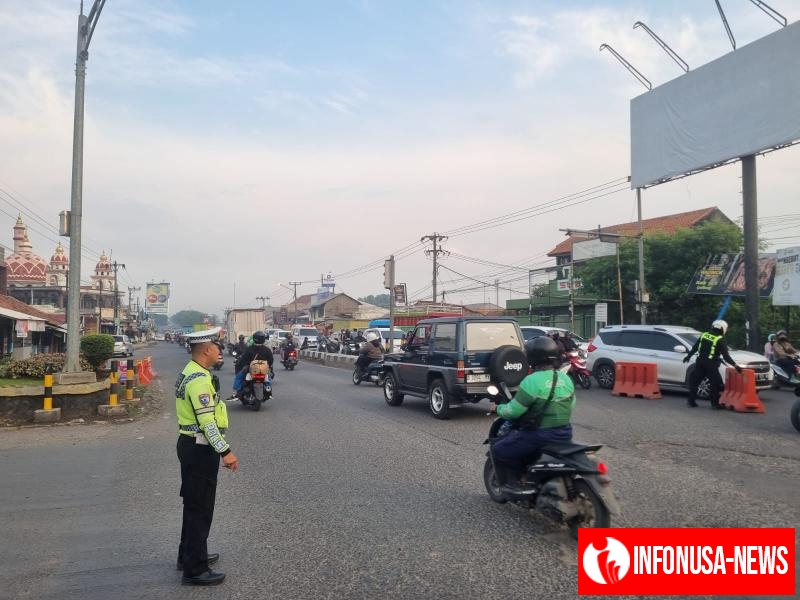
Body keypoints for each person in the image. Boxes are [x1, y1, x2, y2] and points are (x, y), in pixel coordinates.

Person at [175, 326, 239, 586]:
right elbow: (207, 423)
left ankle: (188, 555)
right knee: (200, 509)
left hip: (190, 445)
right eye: (216, 347)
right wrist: (226, 451)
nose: (219, 350)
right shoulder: (200, 380)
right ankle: (195, 569)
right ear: (205, 350)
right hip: (200, 448)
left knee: (193, 505)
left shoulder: (190, 371)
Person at [489, 336, 575, 488]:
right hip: (565, 432)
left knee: (499, 450)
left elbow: (513, 412)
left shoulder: (531, 381)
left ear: (531, 357)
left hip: (539, 435)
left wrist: (498, 408)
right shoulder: (565, 378)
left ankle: (516, 483)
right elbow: (571, 404)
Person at [683, 319, 741, 409]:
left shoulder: (704, 335)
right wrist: (735, 365)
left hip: (699, 362)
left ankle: (691, 401)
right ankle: (715, 404)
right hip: (711, 364)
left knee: (695, 381)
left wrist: (688, 356)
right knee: (715, 383)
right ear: (723, 329)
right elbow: (726, 356)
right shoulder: (720, 339)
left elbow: (695, 347)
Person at [233, 331, 274, 398]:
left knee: (239, 377)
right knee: (268, 378)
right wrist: (267, 366)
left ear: (254, 339)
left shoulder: (249, 348)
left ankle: (235, 393)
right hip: (264, 369)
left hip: (250, 368)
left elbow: (243, 359)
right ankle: (269, 390)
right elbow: (271, 360)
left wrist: (241, 365)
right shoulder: (267, 350)